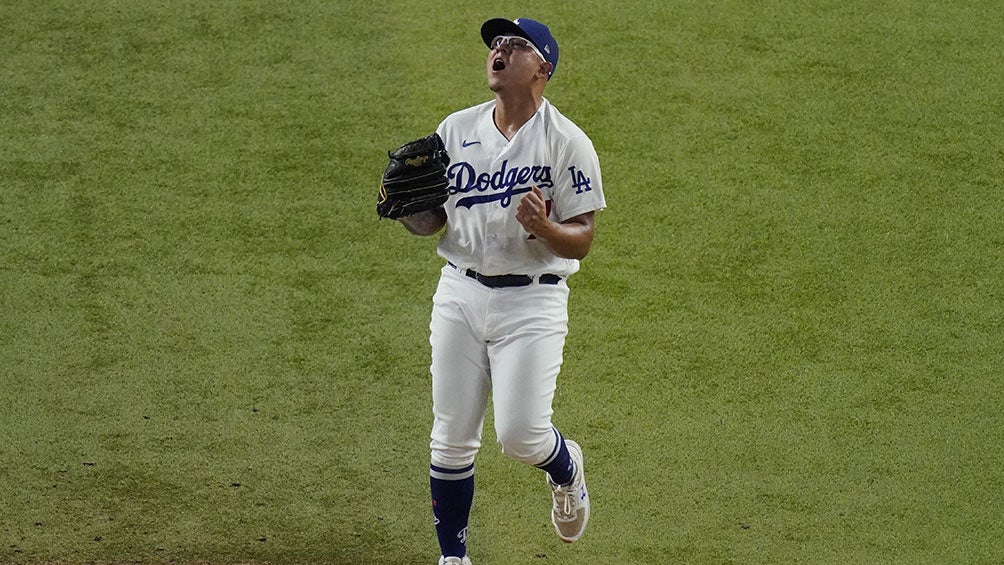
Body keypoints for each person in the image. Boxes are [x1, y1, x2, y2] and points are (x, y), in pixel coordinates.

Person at [396, 17, 606, 565]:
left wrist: (546, 228)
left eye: (515, 45)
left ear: (543, 68)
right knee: (451, 436)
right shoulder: (454, 129)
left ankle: (565, 469)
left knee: (520, 437)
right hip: (459, 294)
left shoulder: (567, 142)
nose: (499, 51)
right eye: (496, 44)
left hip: (532, 302)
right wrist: (406, 211)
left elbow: (582, 240)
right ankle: (453, 557)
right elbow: (432, 224)